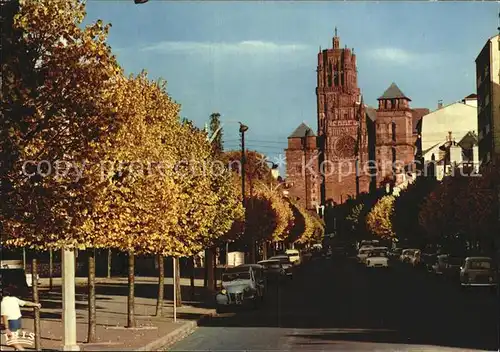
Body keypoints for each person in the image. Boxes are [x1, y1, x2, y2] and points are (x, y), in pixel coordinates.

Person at [1, 284, 41, 351]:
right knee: (15, 339)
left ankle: (22, 350)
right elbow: (25, 303)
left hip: (11, 322)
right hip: (18, 320)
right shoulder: (14, 299)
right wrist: (36, 304)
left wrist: (6, 328)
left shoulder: (3, 303)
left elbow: (5, 316)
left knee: (11, 341)